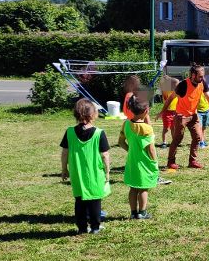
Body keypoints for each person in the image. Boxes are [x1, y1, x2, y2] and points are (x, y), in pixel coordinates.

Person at [60, 99, 111, 234]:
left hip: (77, 173)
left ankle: (82, 228)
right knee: (95, 200)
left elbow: (65, 153)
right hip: (95, 173)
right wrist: (107, 171)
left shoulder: (69, 132)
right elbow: (105, 155)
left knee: (79, 200)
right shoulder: (99, 133)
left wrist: (64, 169)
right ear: (93, 115)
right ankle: (95, 227)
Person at [119, 97, 158, 220]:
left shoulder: (126, 124)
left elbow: (121, 142)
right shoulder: (147, 129)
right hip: (145, 163)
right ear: (146, 111)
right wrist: (154, 162)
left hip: (132, 162)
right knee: (143, 188)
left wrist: (130, 151)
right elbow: (151, 149)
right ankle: (142, 212)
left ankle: (133, 212)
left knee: (133, 188)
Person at [161, 64, 206, 170]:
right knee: (177, 138)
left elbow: (206, 96)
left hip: (193, 115)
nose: (202, 78)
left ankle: (192, 161)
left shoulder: (201, 83)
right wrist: (163, 111)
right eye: (200, 76)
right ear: (193, 75)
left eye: (202, 76)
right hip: (181, 116)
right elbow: (171, 98)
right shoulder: (183, 85)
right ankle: (171, 161)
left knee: (197, 137)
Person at [157, 76, 179, 149]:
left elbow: (176, 81)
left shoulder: (175, 90)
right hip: (167, 112)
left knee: (173, 128)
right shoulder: (164, 89)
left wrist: (169, 78)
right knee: (166, 128)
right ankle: (164, 142)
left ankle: (174, 142)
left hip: (175, 112)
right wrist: (165, 80)